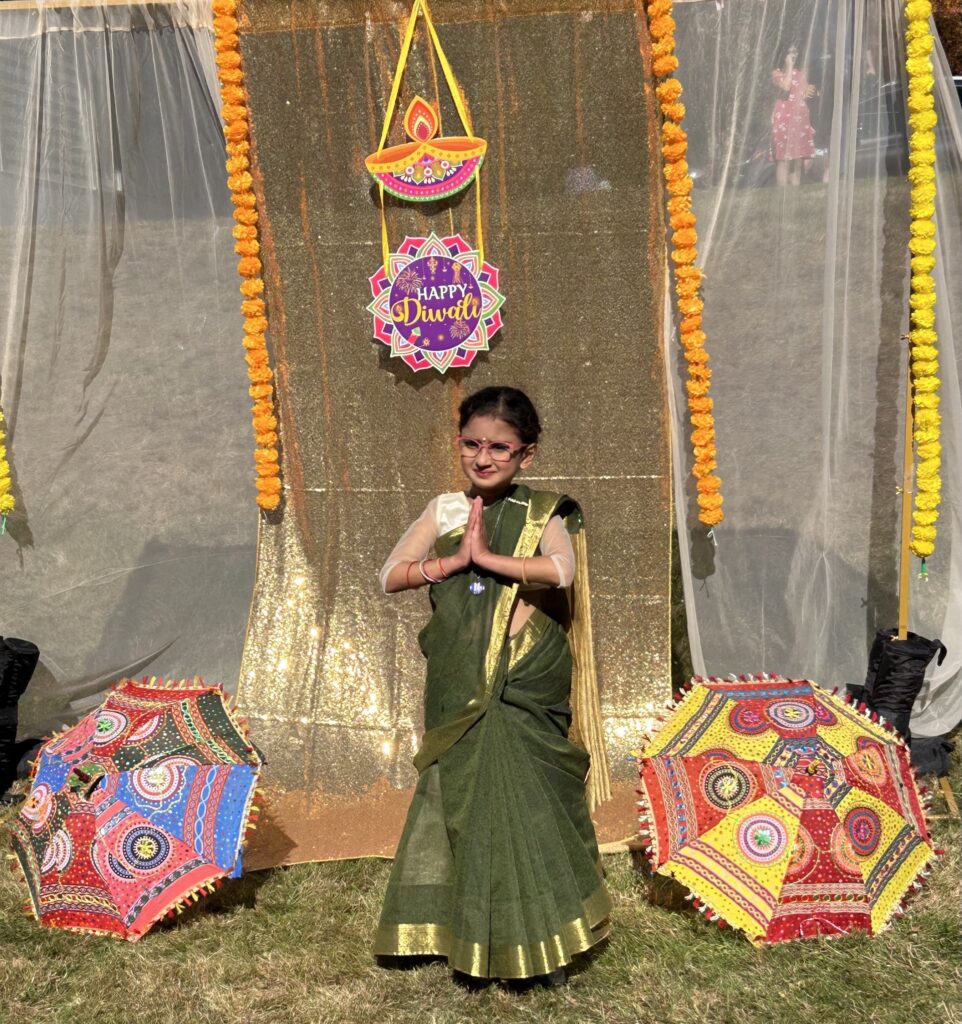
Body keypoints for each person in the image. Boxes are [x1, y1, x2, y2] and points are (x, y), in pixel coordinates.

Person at [373, 386, 611, 985]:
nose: (483, 458)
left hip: (525, 674)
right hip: (461, 673)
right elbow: (389, 576)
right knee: (470, 804)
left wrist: (487, 558)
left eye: (499, 448)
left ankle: (546, 935)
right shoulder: (444, 510)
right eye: (472, 444)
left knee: (528, 802)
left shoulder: (544, 510)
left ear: (526, 455)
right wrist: (452, 562)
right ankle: (477, 934)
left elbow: (561, 571)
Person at [771, 42, 817, 186]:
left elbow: (805, 94)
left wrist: (813, 92)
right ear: (783, 55)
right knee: (783, 160)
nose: (793, 55)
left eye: (795, 51)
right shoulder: (776, 74)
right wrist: (789, 67)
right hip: (784, 120)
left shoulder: (801, 74)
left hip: (800, 120)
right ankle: (782, 193)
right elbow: (786, 86)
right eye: (790, 52)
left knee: (799, 159)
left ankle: (796, 191)